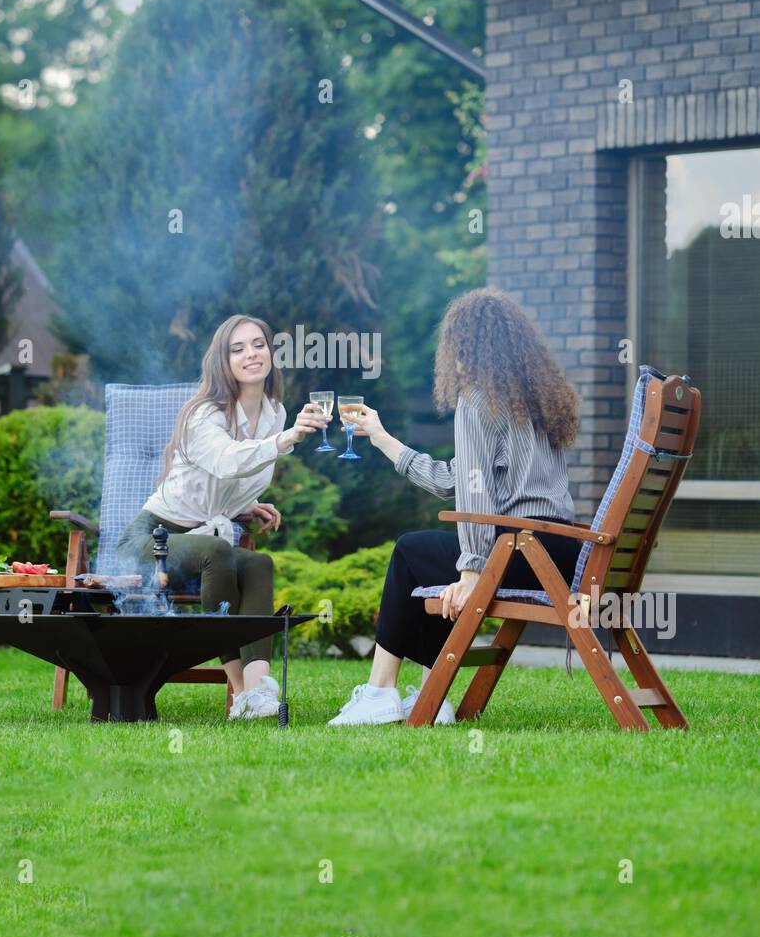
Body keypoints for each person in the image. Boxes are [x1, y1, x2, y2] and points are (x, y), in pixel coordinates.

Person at [327, 287, 582, 727]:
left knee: (410, 551)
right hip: (559, 553)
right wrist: (383, 438)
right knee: (431, 563)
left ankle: (379, 691)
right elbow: (455, 480)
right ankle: (433, 697)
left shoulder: (479, 399)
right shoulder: (537, 401)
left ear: (464, 345)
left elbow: (476, 496)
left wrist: (472, 570)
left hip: (521, 550)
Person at [116, 314, 326, 719]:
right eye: (238, 348)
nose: (251, 354)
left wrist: (238, 508)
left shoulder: (273, 412)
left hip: (201, 535)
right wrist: (287, 440)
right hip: (149, 542)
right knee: (218, 549)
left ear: (270, 352)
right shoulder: (205, 413)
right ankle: (239, 688)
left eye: (259, 344)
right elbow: (226, 461)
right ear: (223, 362)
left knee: (260, 563)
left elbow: (225, 481)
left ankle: (257, 690)